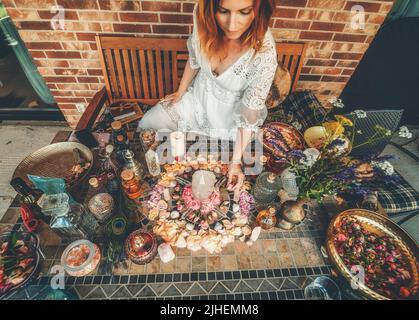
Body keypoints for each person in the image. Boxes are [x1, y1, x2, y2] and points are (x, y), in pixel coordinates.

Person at [138, 0, 277, 190]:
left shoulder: (265, 54)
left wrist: (235, 162)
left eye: (244, 12)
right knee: (149, 122)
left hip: (230, 118)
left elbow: (248, 116)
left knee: (214, 163)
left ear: (259, 10)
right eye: (223, 11)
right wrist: (180, 92)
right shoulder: (202, 17)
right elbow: (194, 59)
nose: (232, 24)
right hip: (198, 98)